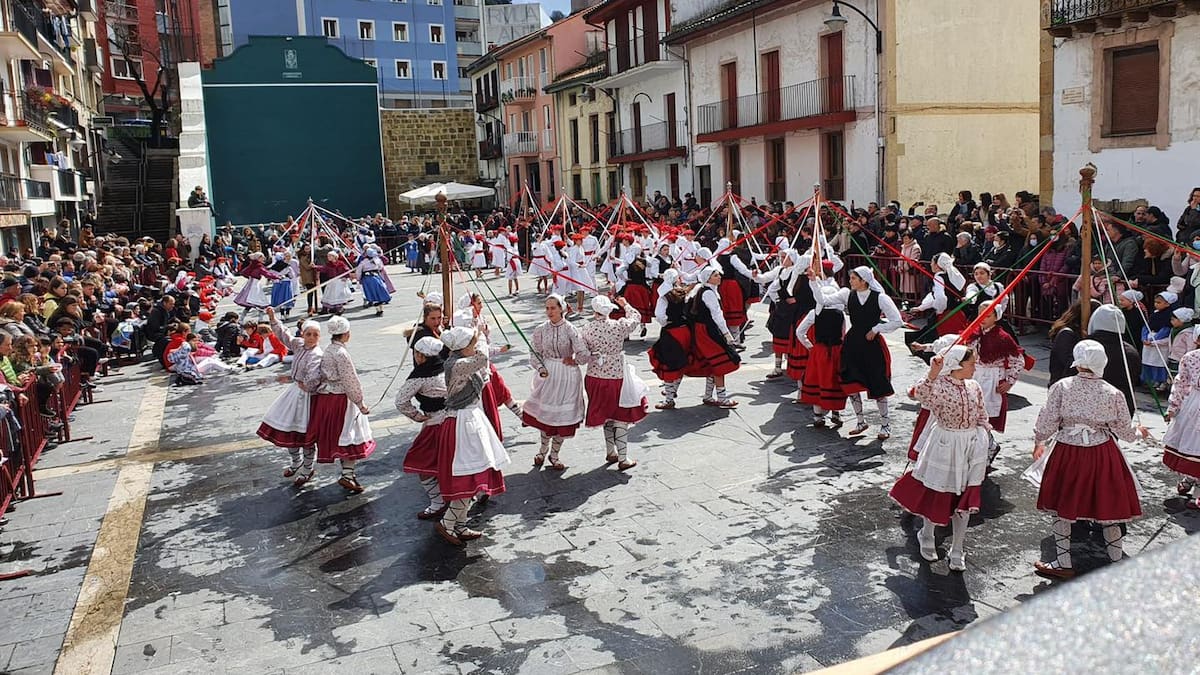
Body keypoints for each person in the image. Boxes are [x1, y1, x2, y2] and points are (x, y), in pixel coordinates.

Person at [1028, 340, 1147, 580]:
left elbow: (1047, 420)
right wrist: (1139, 432)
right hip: (1102, 453)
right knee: (1108, 506)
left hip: (1067, 452)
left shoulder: (1062, 387)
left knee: (1063, 506)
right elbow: (1125, 432)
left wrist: (1039, 441)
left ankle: (1063, 562)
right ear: (1101, 362)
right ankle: (1116, 561)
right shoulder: (1113, 393)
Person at [889, 346, 990, 572]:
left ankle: (957, 548)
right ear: (957, 365)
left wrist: (984, 437)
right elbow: (919, 394)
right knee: (938, 493)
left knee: (964, 498)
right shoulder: (940, 386)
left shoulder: (974, 386)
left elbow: (982, 415)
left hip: (970, 448)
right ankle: (926, 535)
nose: (975, 366)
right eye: (972, 363)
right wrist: (933, 372)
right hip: (945, 444)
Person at [434, 327, 510, 546]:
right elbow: (482, 359)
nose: (475, 347)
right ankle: (448, 522)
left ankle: (460, 524)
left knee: (474, 471)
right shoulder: (457, 365)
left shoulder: (459, 362)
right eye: (472, 344)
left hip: (470, 419)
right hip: (463, 423)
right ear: (463, 346)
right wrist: (481, 340)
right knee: (470, 473)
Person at [256, 307, 323, 486]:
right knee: (287, 430)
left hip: (308, 398)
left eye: (315, 334)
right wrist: (272, 317)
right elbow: (283, 335)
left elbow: (314, 377)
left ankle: (308, 468)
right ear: (303, 334)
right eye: (308, 334)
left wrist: (305, 384)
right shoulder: (299, 344)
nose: (311, 337)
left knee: (305, 435)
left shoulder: (317, 354)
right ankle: (296, 462)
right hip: (294, 393)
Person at [580, 296, 647, 471]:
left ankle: (611, 451)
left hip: (594, 376)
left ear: (594, 311)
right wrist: (625, 304)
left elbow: (581, 354)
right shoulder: (619, 326)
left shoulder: (587, 328)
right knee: (620, 415)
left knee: (606, 414)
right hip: (616, 374)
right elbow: (636, 317)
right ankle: (623, 457)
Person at [308, 315, 374, 492]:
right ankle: (347, 474)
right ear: (346, 334)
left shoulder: (328, 350)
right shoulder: (342, 354)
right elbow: (350, 380)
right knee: (350, 436)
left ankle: (349, 474)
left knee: (341, 436)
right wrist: (360, 403)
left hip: (326, 398)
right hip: (341, 400)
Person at [523, 294, 590, 469]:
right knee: (546, 415)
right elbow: (534, 352)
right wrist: (540, 367)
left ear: (562, 309)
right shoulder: (540, 329)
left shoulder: (570, 329)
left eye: (553, 308)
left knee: (562, 418)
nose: (549, 311)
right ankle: (542, 450)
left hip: (567, 376)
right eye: (547, 308)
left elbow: (583, 352)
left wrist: (574, 360)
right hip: (548, 375)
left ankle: (554, 454)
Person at [840, 267, 903, 439]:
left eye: (853, 278)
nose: (850, 281)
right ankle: (860, 421)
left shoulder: (880, 298)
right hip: (853, 343)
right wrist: (814, 281)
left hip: (872, 345)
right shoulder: (848, 295)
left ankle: (885, 425)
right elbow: (823, 299)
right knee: (851, 381)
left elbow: (897, 321)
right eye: (851, 277)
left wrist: (876, 329)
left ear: (864, 281)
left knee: (878, 383)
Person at [397, 337, 450, 520]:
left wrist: (418, 416)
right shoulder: (448, 367)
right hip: (455, 420)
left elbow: (401, 401)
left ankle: (437, 502)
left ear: (420, 355)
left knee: (421, 462)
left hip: (435, 423)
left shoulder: (418, 378)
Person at [796, 285, 850, 427]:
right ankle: (835, 413)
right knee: (834, 380)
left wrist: (810, 347)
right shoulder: (840, 314)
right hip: (837, 351)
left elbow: (800, 332)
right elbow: (844, 333)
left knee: (818, 380)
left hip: (819, 351)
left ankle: (817, 416)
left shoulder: (814, 313)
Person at [688, 264, 740, 408]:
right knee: (719, 363)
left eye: (718, 274)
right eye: (715, 275)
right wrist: (726, 334)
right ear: (708, 278)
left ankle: (708, 396)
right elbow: (717, 315)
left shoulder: (706, 290)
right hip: (707, 331)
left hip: (703, 329)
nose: (719, 277)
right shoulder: (708, 293)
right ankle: (722, 399)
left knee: (712, 363)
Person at [649, 269, 692, 410]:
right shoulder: (682, 293)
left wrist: (666, 323)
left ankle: (669, 399)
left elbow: (659, 315)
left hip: (671, 332)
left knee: (668, 364)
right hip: (684, 331)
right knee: (681, 362)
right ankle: (672, 392)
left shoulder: (664, 297)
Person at [1141, 291, 1175, 391]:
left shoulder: (1168, 316)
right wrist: (1145, 338)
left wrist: (1153, 340)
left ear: (1167, 304)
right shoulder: (1154, 314)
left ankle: (1161, 381)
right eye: (1155, 302)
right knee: (1148, 361)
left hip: (1159, 341)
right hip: (1149, 338)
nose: (1156, 304)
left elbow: (1165, 330)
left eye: (1159, 303)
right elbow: (1146, 326)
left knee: (1159, 361)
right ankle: (1149, 380)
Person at [234, 252, 279, 320]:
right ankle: (260, 319)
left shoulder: (252, 265)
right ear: (258, 258)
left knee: (251, 303)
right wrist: (277, 277)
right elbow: (267, 274)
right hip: (255, 285)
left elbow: (243, 272)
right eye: (262, 257)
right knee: (259, 302)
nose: (263, 258)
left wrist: (250, 277)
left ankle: (242, 318)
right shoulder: (259, 266)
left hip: (250, 284)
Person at [355, 247, 392, 317]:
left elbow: (358, 271)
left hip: (368, 279)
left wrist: (358, 279)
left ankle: (378, 310)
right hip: (376, 277)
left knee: (373, 293)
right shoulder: (377, 260)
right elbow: (381, 267)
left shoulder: (363, 262)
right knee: (379, 292)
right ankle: (380, 309)